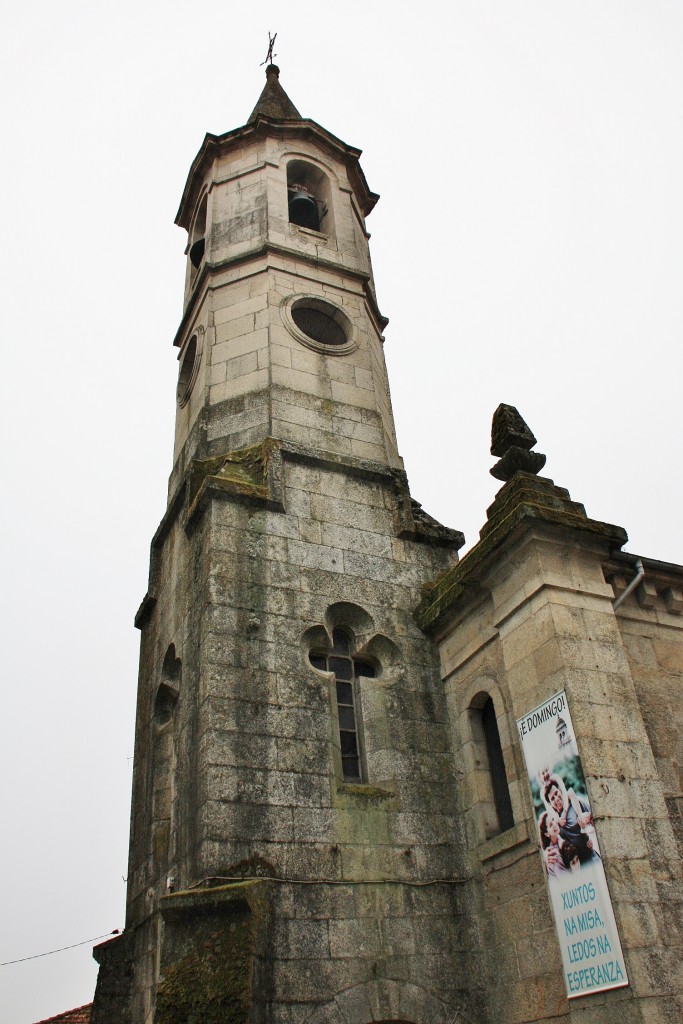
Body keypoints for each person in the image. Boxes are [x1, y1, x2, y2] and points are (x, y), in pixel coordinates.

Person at [543, 778, 599, 865]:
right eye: (552, 798)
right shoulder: (554, 822)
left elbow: (597, 820)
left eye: (556, 793)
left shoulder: (576, 803)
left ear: (560, 790)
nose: (556, 799)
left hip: (592, 856)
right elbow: (550, 844)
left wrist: (591, 837)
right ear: (550, 804)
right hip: (577, 865)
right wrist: (545, 856)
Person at [538, 810, 569, 878]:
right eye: (551, 825)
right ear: (547, 834)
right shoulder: (553, 855)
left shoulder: (563, 835)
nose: (554, 824)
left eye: (553, 820)